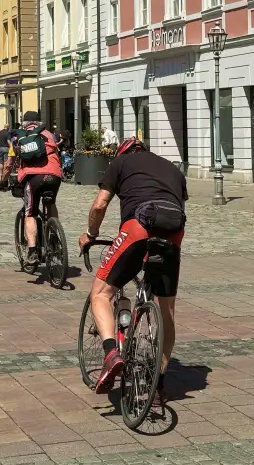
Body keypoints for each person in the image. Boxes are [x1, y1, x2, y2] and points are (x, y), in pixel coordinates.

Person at [79, 137, 187, 396]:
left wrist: (90, 235)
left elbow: (100, 204)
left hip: (137, 228)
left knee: (101, 294)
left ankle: (111, 355)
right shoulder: (172, 168)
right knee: (167, 310)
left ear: (122, 152)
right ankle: (158, 379)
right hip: (173, 233)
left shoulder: (121, 162)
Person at [0, 111, 63, 270]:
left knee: (30, 213)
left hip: (33, 178)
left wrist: (4, 180)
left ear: (24, 123)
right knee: (50, 202)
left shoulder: (19, 136)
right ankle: (54, 235)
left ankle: (32, 251)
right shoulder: (48, 134)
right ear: (39, 122)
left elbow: (10, 163)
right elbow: (56, 153)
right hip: (54, 175)